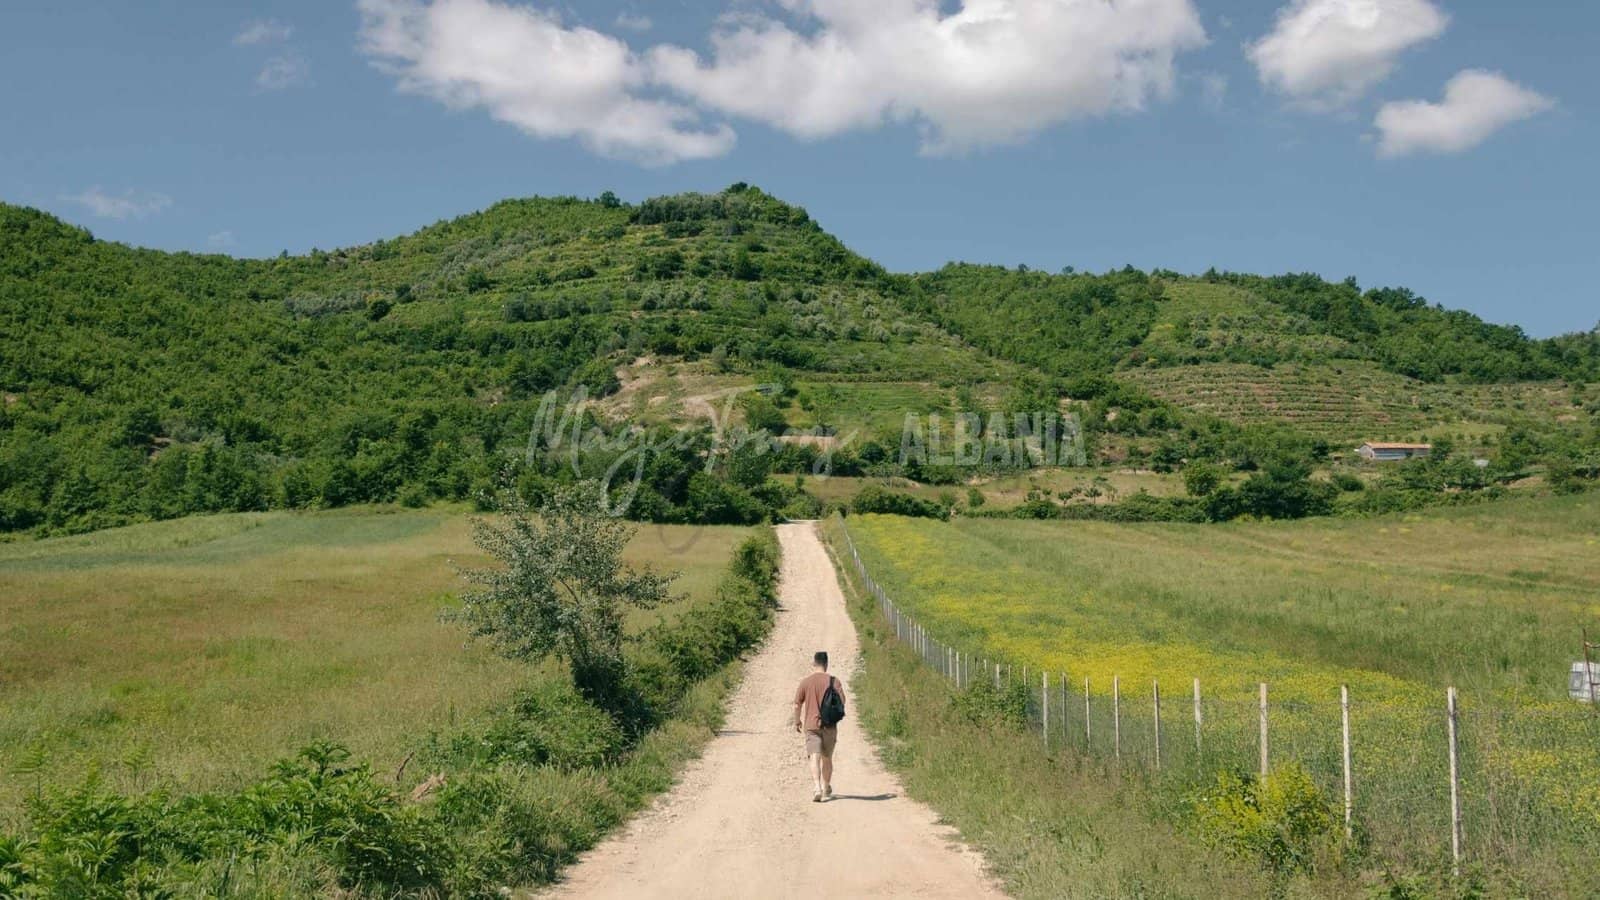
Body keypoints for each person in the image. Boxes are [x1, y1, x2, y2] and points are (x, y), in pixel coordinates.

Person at [793, 650, 843, 802]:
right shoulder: (834, 681)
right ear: (826, 664)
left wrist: (797, 721)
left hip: (811, 725)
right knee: (827, 758)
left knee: (814, 756)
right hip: (829, 726)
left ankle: (817, 787)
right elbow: (842, 702)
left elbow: (796, 705)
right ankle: (826, 786)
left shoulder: (806, 682)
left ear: (814, 663)